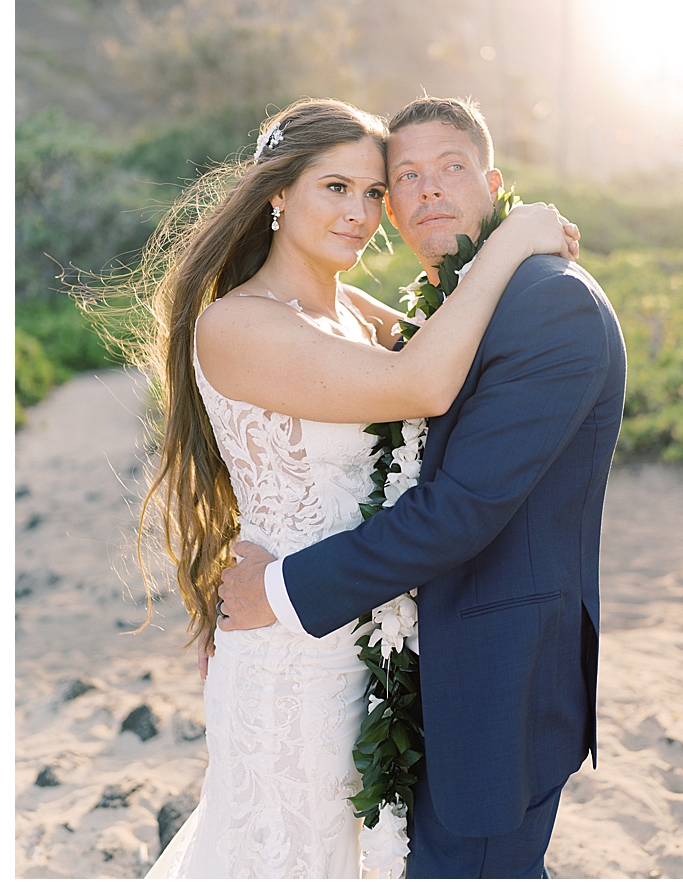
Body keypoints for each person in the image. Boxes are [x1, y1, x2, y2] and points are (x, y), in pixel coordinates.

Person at [140, 97, 585, 878]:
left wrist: (516, 269)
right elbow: (423, 382)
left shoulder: (353, 313)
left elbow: (455, 340)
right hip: (285, 646)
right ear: (277, 193)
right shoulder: (236, 324)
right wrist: (512, 241)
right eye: (335, 188)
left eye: (374, 193)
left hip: (369, 647)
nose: (361, 213)